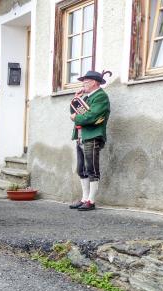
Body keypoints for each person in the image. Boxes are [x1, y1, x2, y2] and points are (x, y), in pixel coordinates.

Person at [69, 70, 111, 211]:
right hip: (82, 136)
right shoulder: (87, 98)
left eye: (86, 82)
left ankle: (91, 201)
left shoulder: (101, 97)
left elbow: (91, 117)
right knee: (81, 169)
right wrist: (76, 99)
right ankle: (84, 198)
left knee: (91, 169)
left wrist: (76, 118)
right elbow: (74, 111)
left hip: (92, 136)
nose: (83, 84)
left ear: (94, 82)